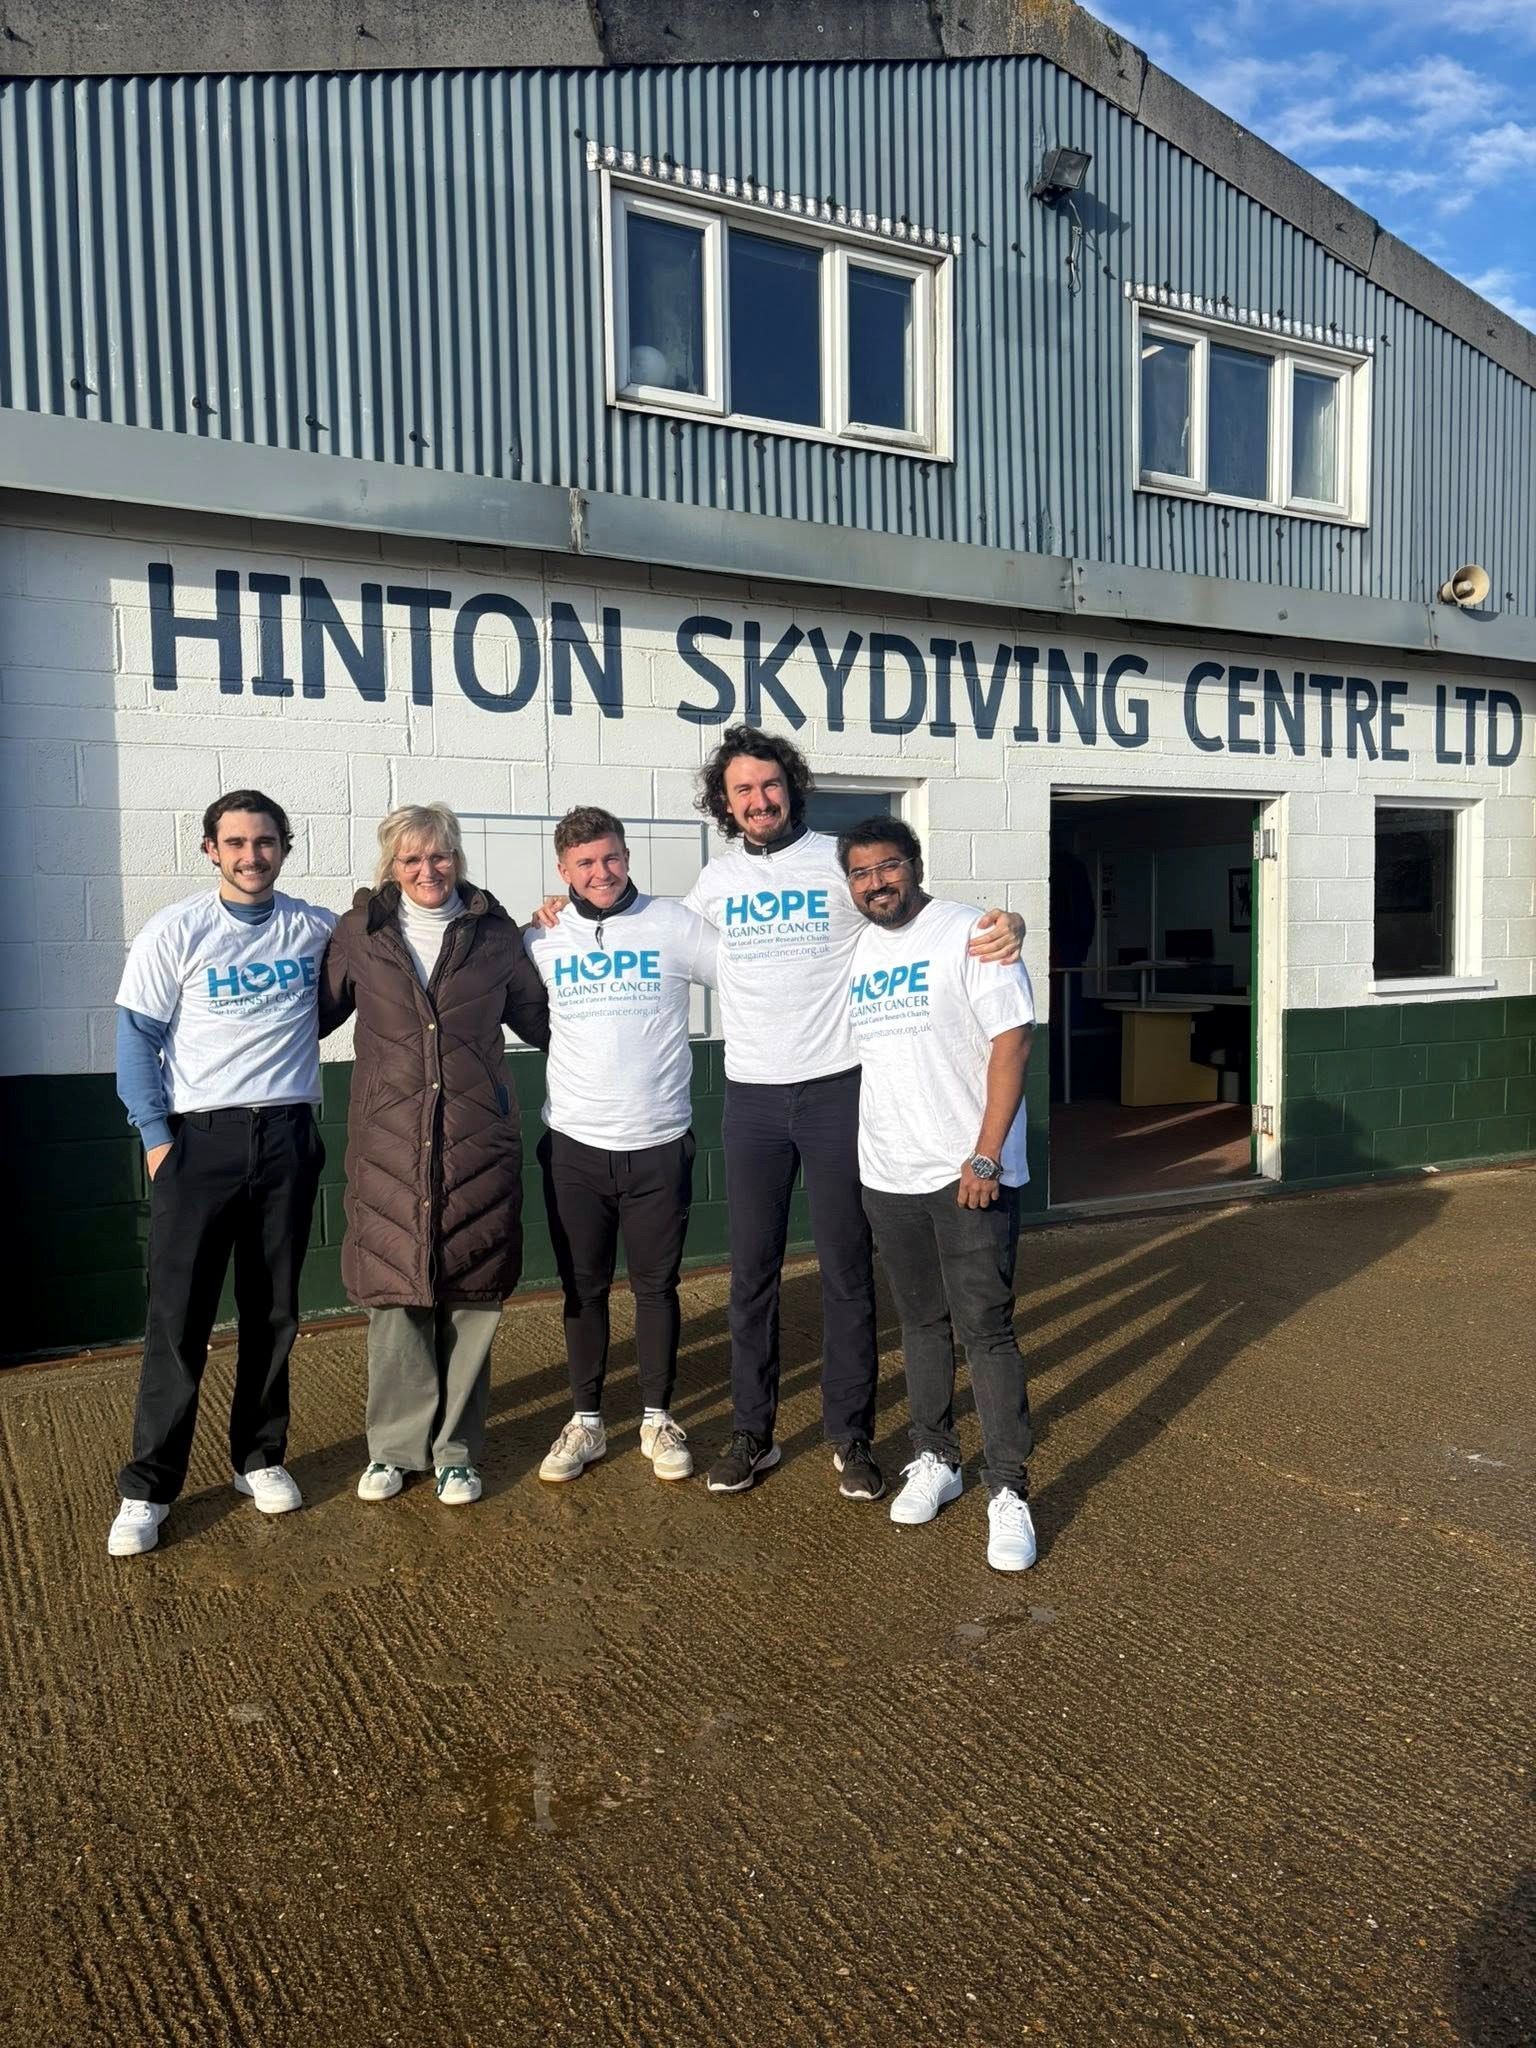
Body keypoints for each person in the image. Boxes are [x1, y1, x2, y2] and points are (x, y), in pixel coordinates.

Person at [681, 725, 1025, 1500]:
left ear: (790, 787)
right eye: (742, 790)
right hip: (753, 1098)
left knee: (845, 1273)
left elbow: (919, 918)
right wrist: (555, 916)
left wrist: (1009, 926)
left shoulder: (841, 864)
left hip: (841, 1090)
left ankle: (852, 1437)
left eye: (769, 785)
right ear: (726, 804)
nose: (758, 800)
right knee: (752, 1274)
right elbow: (652, 933)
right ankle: (752, 1433)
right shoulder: (715, 882)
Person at [107, 790, 335, 1558]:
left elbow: (356, 980)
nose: (250, 856)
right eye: (234, 842)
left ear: (284, 847)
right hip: (197, 1143)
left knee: (273, 1313)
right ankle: (148, 1488)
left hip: (288, 1138)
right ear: (210, 849)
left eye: (265, 841)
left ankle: (259, 1458)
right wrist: (156, 1139)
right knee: (180, 1323)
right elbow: (136, 1037)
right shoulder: (177, 930)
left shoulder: (314, 928)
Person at [319, 803, 549, 1508]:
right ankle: (393, 1450)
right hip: (389, 1148)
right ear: (391, 865)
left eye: (440, 856)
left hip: (476, 1144)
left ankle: (455, 1453)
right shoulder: (360, 935)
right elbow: (308, 1014)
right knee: (397, 1300)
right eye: (412, 859)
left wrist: (574, 939)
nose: (428, 870)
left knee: (470, 1298)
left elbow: (548, 1022)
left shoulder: (494, 937)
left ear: (458, 859)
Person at [839, 816, 1039, 1573]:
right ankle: (937, 1459)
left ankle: (1009, 1488)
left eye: (887, 867)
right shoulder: (856, 944)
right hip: (886, 1172)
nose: (876, 883)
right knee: (920, 1324)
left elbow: (1012, 1043)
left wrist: (985, 1158)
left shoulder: (972, 934)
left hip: (966, 1177)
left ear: (914, 866)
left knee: (986, 1331)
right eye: (860, 874)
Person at [523, 807, 718, 1484]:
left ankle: (657, 1417)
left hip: (659, 1143)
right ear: (562, 870)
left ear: (626, 857)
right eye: (584, 863)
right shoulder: (540, 938)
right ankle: (585, 1421)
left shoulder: (673, 925)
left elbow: (753, 975)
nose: (600, 873)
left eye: (610, 858)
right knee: (582, 1288)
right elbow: (472, 968)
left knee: (657, 1285)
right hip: (574, 1145)